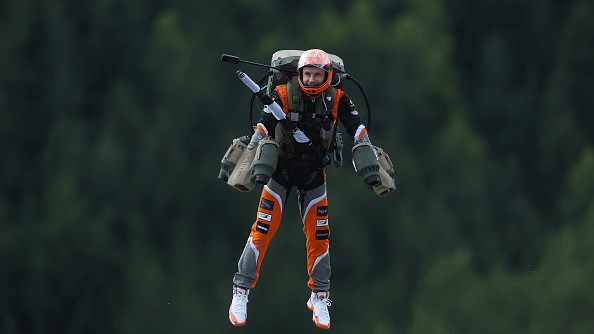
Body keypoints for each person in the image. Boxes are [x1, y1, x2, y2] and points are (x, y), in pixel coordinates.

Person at [228, 49, 375, 330]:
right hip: (281, 171)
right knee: (262, 229)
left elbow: (357, 128)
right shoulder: (282, 95)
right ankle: (241, 291)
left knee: (319, 236)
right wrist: (248, 154)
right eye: (307, 73)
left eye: (317, 74)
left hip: (313, 174)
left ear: (327, 76)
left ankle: (320, 295)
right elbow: (264, 125)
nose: (311, 79)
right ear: (300, 73)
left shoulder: (337, 99)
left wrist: (369, 154)